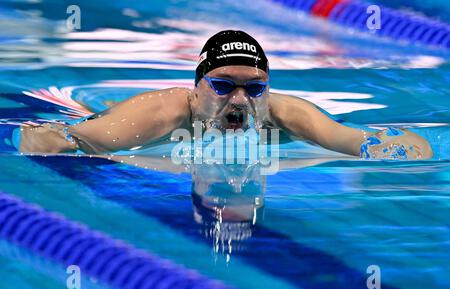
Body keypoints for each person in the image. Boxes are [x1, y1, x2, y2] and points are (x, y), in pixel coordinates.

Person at [18, 30, 433, 160]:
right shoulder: (159, 115)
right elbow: (52, 137)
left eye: (254, 88)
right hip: (97, 109)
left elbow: (364, 139)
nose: (239, 99)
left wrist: (399, 149)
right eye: (222, 85)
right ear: (197, 88)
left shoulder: (287, 115)